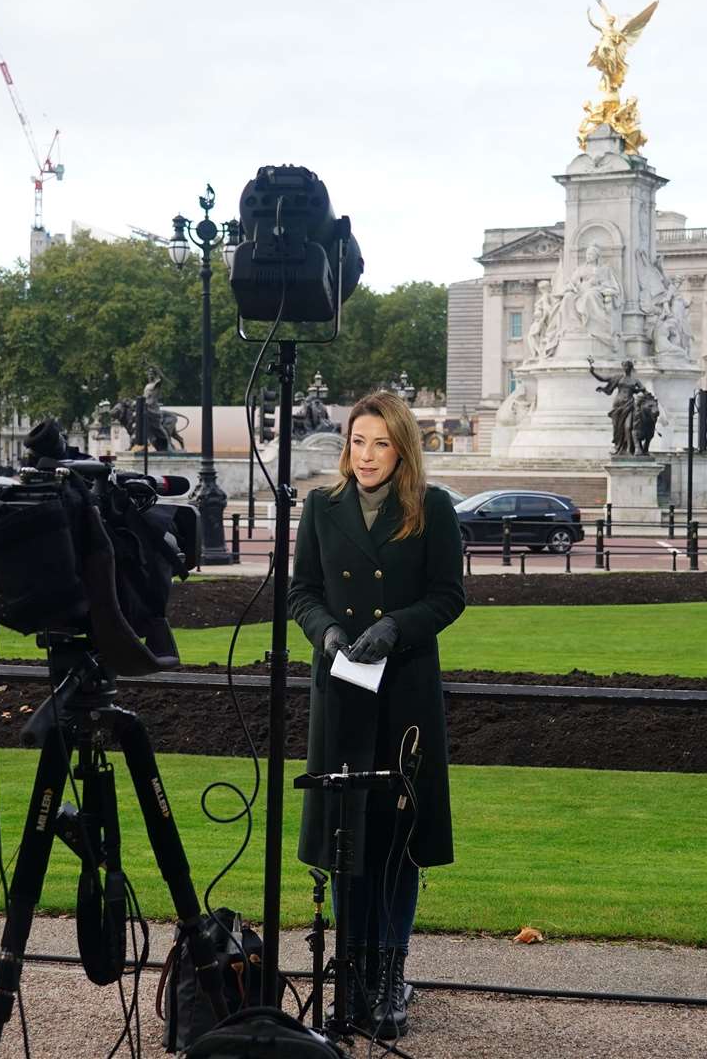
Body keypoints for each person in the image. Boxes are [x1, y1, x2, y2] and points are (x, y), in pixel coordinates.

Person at [289, 391, 465, 1040]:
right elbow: (302, 591)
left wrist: (395, 626)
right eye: (358, 442)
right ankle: (352, 971)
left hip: (405, 697)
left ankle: (391, 970)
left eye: (380, 443)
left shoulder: (433, 508)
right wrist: (328, 634)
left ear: (402, 449)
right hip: (342, 694)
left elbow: (449, 596)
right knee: (346, 840)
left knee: (398, 841)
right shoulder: (320, 506)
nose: (366, 455)